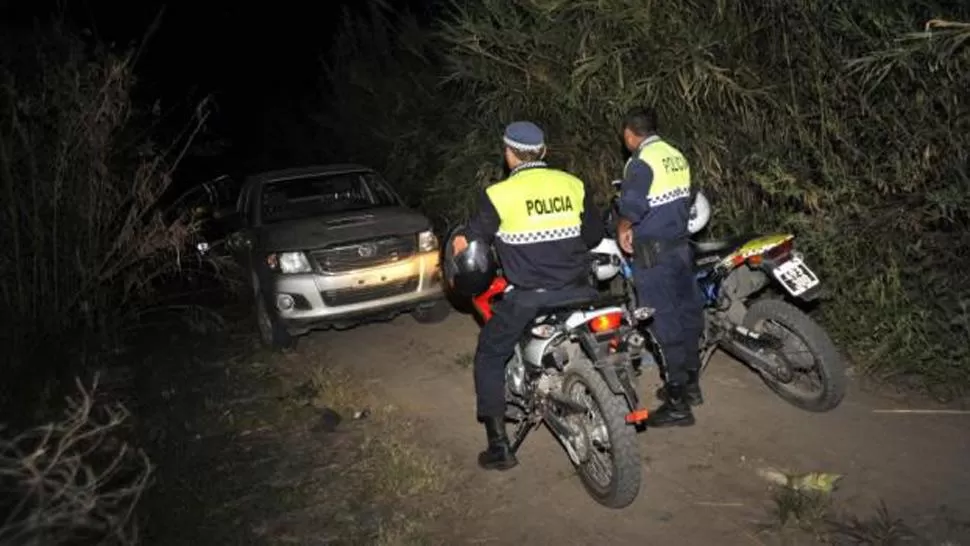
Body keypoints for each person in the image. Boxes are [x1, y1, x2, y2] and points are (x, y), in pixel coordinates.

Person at [451, 120, 605, 471]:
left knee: (490, 354)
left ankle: (499, 446)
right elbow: (594, 236)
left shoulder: (498, 195)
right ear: (544, 151)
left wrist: (460, 245)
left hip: (531, 296)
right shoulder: (573, 184)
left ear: (508, 155)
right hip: (582, 290)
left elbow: (472, 242)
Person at [614, 106, 706, 428]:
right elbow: (689, 195)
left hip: (654, 257)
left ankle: (678, 403)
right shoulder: (675, 154)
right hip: (681, 249)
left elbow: (633, 206)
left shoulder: (640, 163)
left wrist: (623, 226)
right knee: (687, 316)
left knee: (661, 323)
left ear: (629, 134)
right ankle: (691, 385)